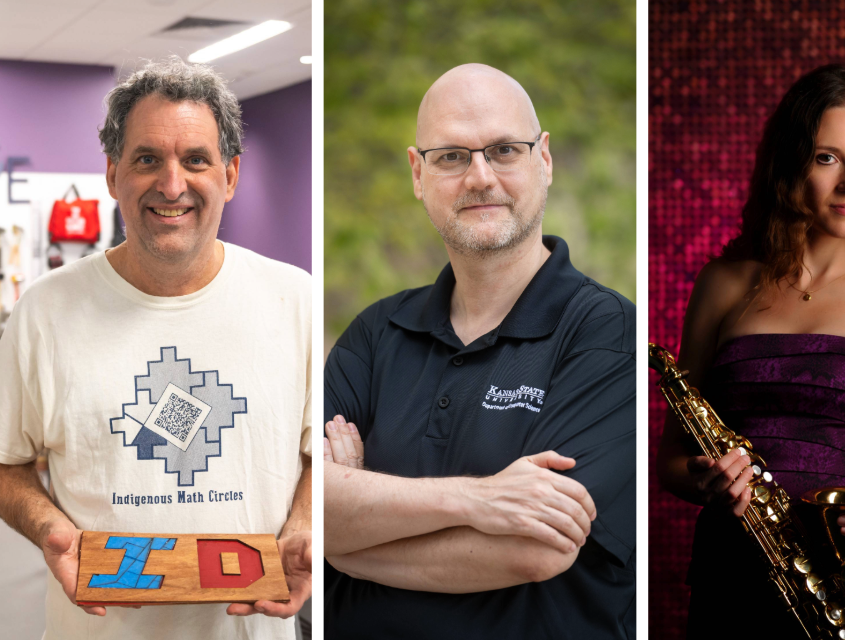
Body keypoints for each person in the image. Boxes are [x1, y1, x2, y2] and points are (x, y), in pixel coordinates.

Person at [0, 57, 312, 640]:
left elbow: (320, 454)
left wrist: (305, 525)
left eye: (196, 160)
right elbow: (5, 461)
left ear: (232, 175)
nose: (173, 185)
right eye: (147, 160)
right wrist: (47, 526)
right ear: (113, 174)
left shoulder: (297, 301)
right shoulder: (43, 312)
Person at [323, 63, 636, 639]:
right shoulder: (374, 333)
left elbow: (533, 549)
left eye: (503, 150)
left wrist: (348, 544)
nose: (479, 177)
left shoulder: (607, 334)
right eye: (451, 157)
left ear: (544, 160)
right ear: (418, 173)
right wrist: (481, 500)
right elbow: (304, 501)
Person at [655, 64, 845, 636]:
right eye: (827, 158)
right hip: (727, 585)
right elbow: (671, 459)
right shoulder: (723, 284)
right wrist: (707, 481)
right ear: (789, 164)